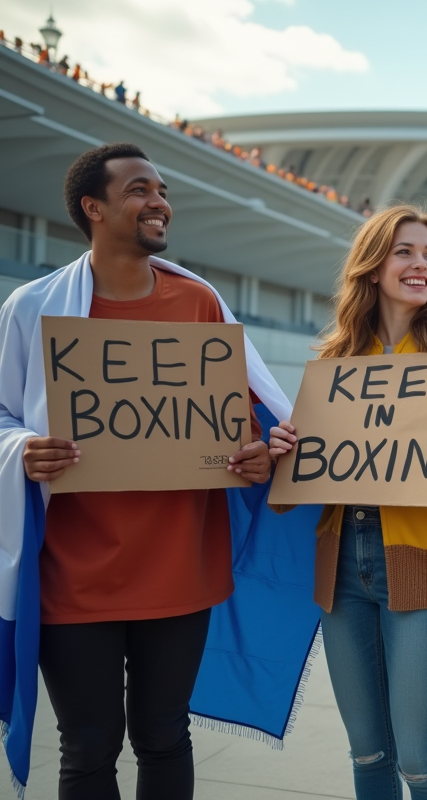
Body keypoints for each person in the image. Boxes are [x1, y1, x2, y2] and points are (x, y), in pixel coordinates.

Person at [0, 143, 308, 799]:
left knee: (165, 735)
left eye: (162, 190)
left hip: (179, 569)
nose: (159, 202)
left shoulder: (199, 303)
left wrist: (259, 453)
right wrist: (22, 448)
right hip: (72, 576)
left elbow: (257, 418)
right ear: (94, 208)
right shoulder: (32, 308)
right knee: (86, 748)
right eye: (140, 189)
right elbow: (0, 416)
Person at [268, 204, 427, 800]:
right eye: (405, 251)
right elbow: (294, 494)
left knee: (420, 757)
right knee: (368, 751)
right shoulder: (332, 361)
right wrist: (284, 455)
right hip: (342, 567)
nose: (421, 264)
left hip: (424, 565)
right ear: (373, 267)